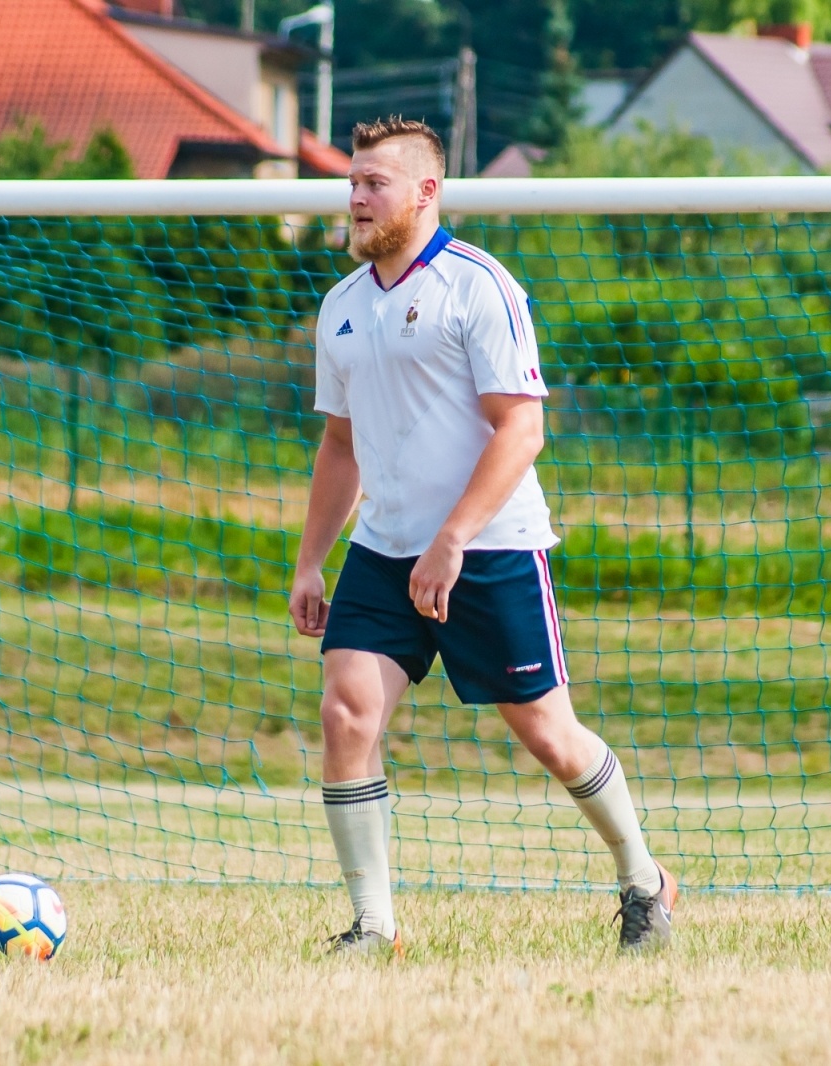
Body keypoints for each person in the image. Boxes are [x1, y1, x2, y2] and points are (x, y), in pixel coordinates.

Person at [289, 117, 677, 956]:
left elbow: (521, 431)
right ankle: (373, 925)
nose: (355, 198)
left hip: (491, 549)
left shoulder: (481, 286)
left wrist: (454, 538)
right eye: (350, 183)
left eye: (373, 185)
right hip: (384, 554)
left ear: (426, 193)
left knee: (550, 738)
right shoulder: (341, 307)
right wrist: (312, 560)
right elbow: (341, 445)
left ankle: (643, 877)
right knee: (347, 713)